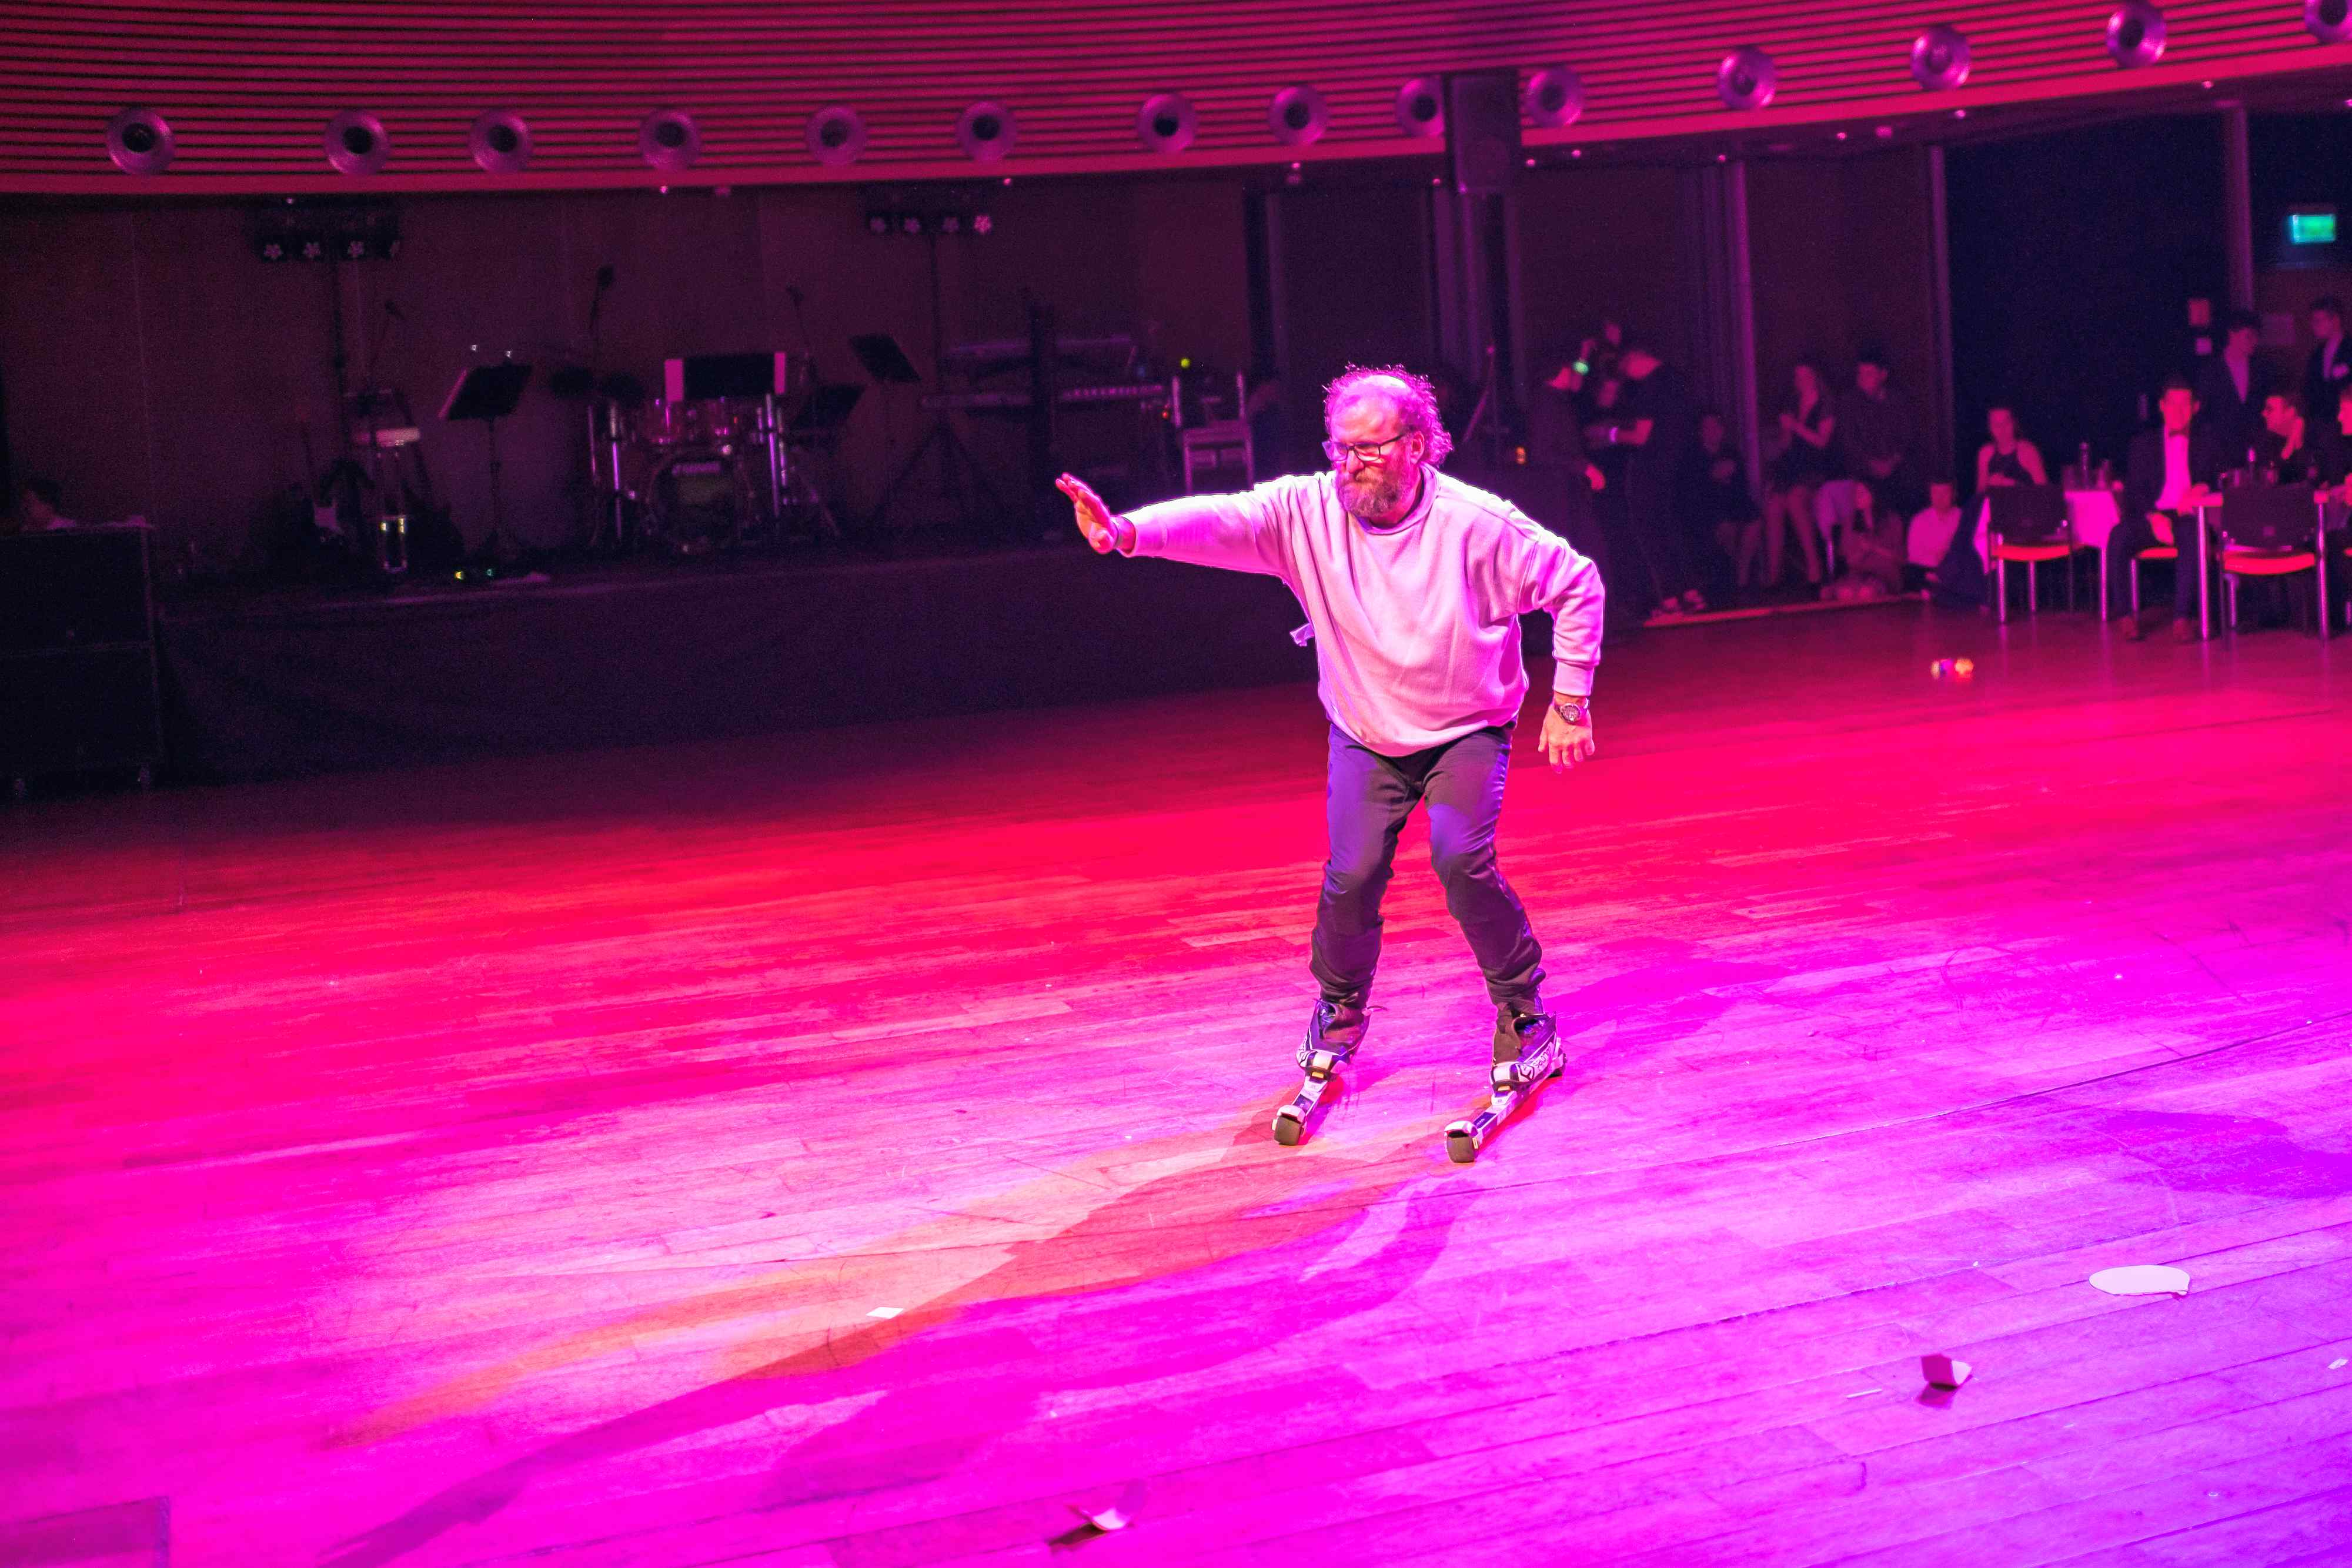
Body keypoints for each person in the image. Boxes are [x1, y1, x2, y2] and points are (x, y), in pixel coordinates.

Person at [1054, 365, 1603, 1121]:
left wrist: (1569, 699)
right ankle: (1339, 1011)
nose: (1349, 465)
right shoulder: (1307, 512)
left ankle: (1525, 1015)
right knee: (1352, 876)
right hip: (1366, 732)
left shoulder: (1477, 524)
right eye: (1339, 449)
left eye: (1367, 450)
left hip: (1465, 730)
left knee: (1459, 861)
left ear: (1416, 446)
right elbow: (1224, 519)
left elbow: (1577, 584)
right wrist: (1125, 533)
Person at [2106, 375, 2223, 642]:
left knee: (2193, 535)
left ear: (2195, 407)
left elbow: (2221, 476)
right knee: (2118, 536)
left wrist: (2202, 487)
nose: (2178, 411)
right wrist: (2154, 517)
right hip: (2153, 513)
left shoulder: (2208, 441)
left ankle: (2182, 618)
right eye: (2173, 404)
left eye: (2185, 404)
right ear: (2162, 406)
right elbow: (2134, 491)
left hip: (2189, 514)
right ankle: (2124, 615)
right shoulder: (2143, 444)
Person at [1608, 341, 1706, 619]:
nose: (1628, 375)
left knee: (1651, 532)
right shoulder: (1677, 380)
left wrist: (1611, 435)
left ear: (1635, 358)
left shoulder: (1650, 387)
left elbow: (1641, 437)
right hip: (1675, 466)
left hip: (1649, 468)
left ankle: (1670, 600)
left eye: (1626, 368)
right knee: (1670, 529)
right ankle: (1691, 593)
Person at [1761, 361, 1835, 590]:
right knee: (1774, 505)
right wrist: (1785, 430)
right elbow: (1785, 445)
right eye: (1798, 377)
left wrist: (1795, 427)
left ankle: (1814, 567)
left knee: (1795, 500)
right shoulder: (1793, 404)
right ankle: (1774, 574)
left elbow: (1822, 442)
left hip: (1816, 469)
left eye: (1806, 376)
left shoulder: (1825, 404)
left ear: (1816, 377)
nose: (1801, 381)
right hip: (1792, 469)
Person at [1839, 349, 1920, 529]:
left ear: (1883, 375)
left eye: (1869, 374)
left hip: (1897, 469)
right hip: (1864, 470)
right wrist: (1871, 463)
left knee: (1909, 486)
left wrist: (1892, 461)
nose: (1863, 379)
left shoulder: (1898, 401)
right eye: (1860, 374)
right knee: (1864, 492)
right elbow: (1849, 442)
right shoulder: (1850, 403)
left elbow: (1907, 436)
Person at [1693, 410, 1762, 589]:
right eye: (1708, 427)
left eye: (1716, 426)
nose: (1713, 430)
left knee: (1755, 521)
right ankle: (1731, 571)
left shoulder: (1731, 452)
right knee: (1726, 529)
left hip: (1734, 503)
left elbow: (1740, 482)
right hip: (1709, 507)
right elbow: (1698, 487)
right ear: (1701, 431)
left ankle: (1742, 576)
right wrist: (1716, 475)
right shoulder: (1695, 457)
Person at [2194, 308, 2267, 466]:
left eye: (2256, 337)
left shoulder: (2261, 368)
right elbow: (2204, 412)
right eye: (2249, 336)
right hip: (2220, 449)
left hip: (2254, 448)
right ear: (2232, 335)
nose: (2254, 342)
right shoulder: (2211, 370)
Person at [1907, 479, 1965, 593]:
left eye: (1945, 493)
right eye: (1936, 493)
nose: (1940, 498)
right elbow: (1913, 556)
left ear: (1954, 494)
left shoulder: (1963, 518)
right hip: (1927, 573)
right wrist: (1936, 559)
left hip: (1957, 574)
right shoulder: (1919, 521)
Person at [1975, 404, 2049, 492]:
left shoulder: (2027, 451)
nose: (2002, 429)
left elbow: (2044, 492)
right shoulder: (1985, 453)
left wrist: (2014, 485)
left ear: (2014, 424)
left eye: (2006, 423)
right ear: (1990, 428)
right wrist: (1989, 485)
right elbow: (1980, 494)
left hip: (2025, 500)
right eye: (1996, 424)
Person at [2304, 296, 2350, 422]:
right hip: (2321, 420)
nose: (2313, 326)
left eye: (2318, 321)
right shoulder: (2317, 354)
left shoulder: (2349, 349)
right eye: (2313, 321)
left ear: (2335, 320)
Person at [11, 476, 79, 532]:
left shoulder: (69, 530)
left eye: (29, 503)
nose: (24, 507)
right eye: (23, 503)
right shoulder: (22, 531)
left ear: (49, 505)